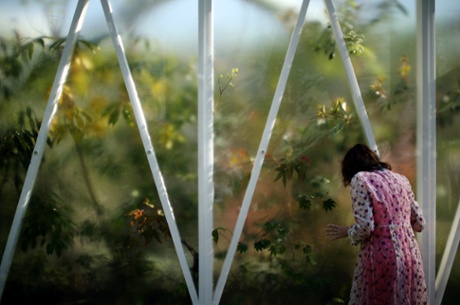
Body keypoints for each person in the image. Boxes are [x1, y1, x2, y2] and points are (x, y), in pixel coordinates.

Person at [325, 144, 428, 305]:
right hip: (410, 256)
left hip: (381, 255)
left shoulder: (361, 179)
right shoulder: (401, 180)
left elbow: (366, 226)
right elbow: (420, 224)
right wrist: (398, 221)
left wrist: (347, 231)